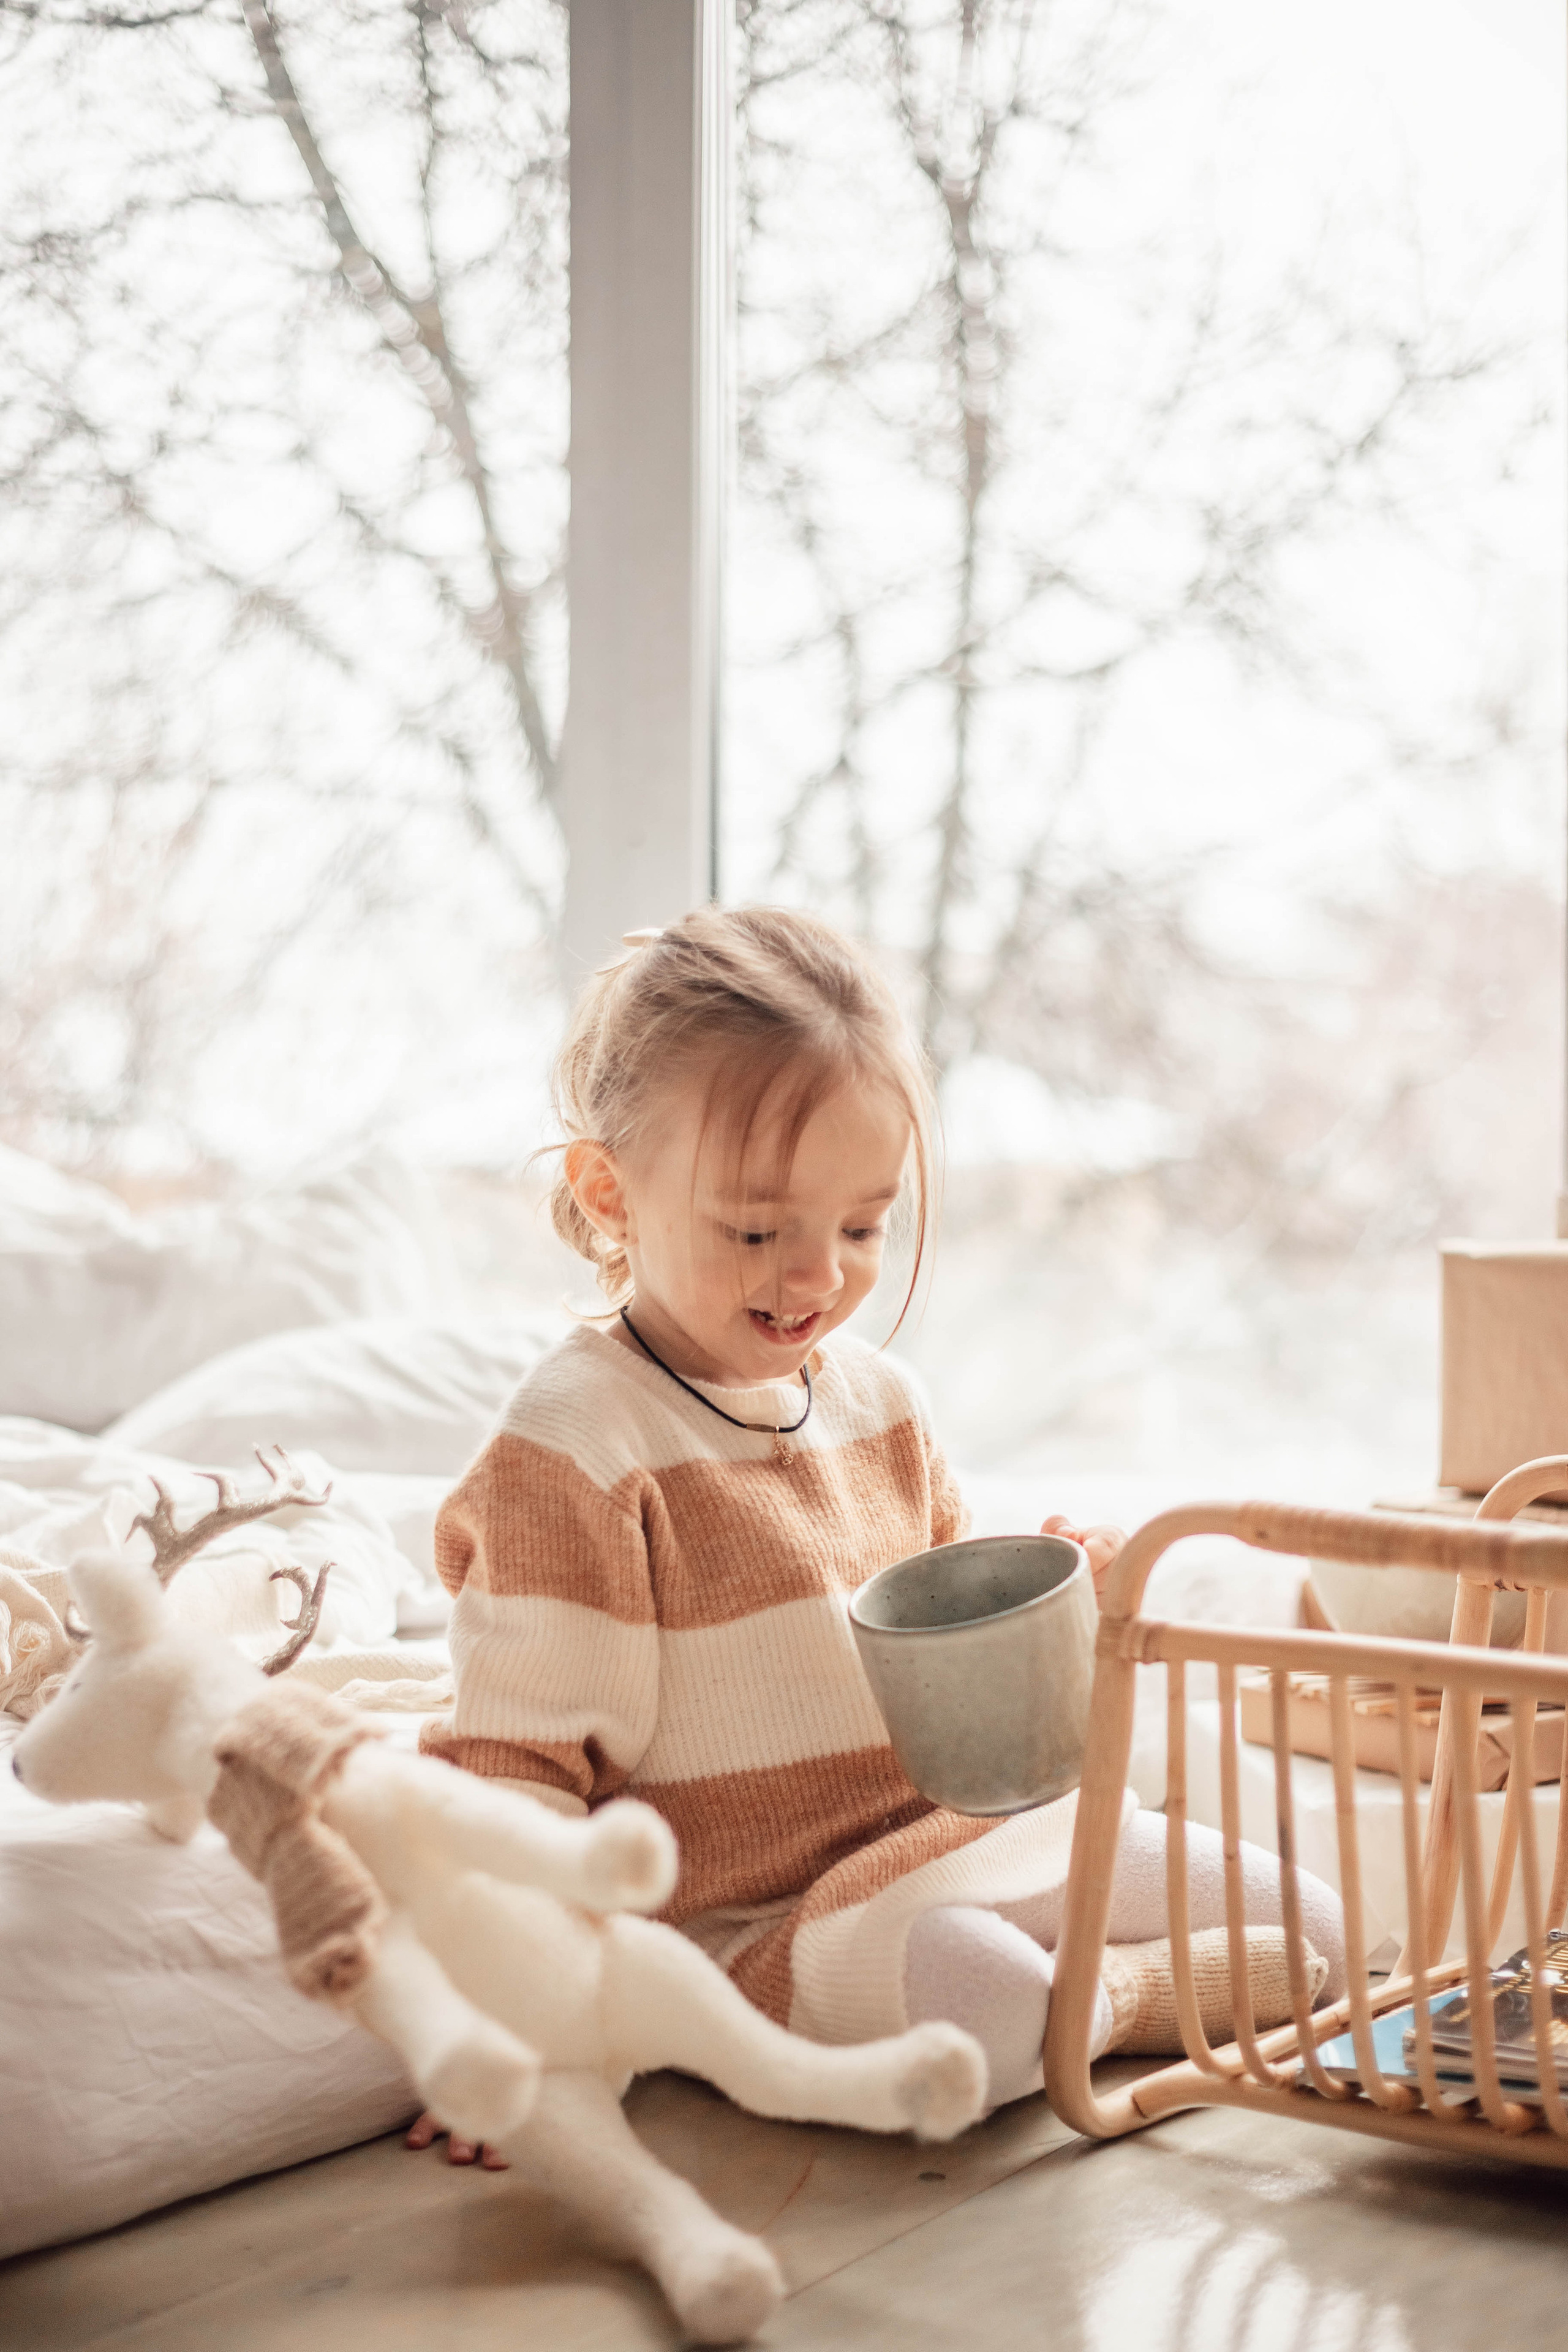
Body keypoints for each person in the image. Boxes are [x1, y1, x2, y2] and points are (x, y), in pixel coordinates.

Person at [409, 906, 1343, 2165]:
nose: (816, 1281)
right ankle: (1088, 2004)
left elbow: (941, 1676)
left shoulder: (880, 1406)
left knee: (1319, 1929)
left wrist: (1071, 1606)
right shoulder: (576, 1443)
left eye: (861, 1229)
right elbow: (512, 1773)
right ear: (606, 1193)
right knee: (984, 2017)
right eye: (754, 1230)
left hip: (940, 1845)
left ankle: (1096, 2000)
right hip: (753, 1931)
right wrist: (520, 2023)